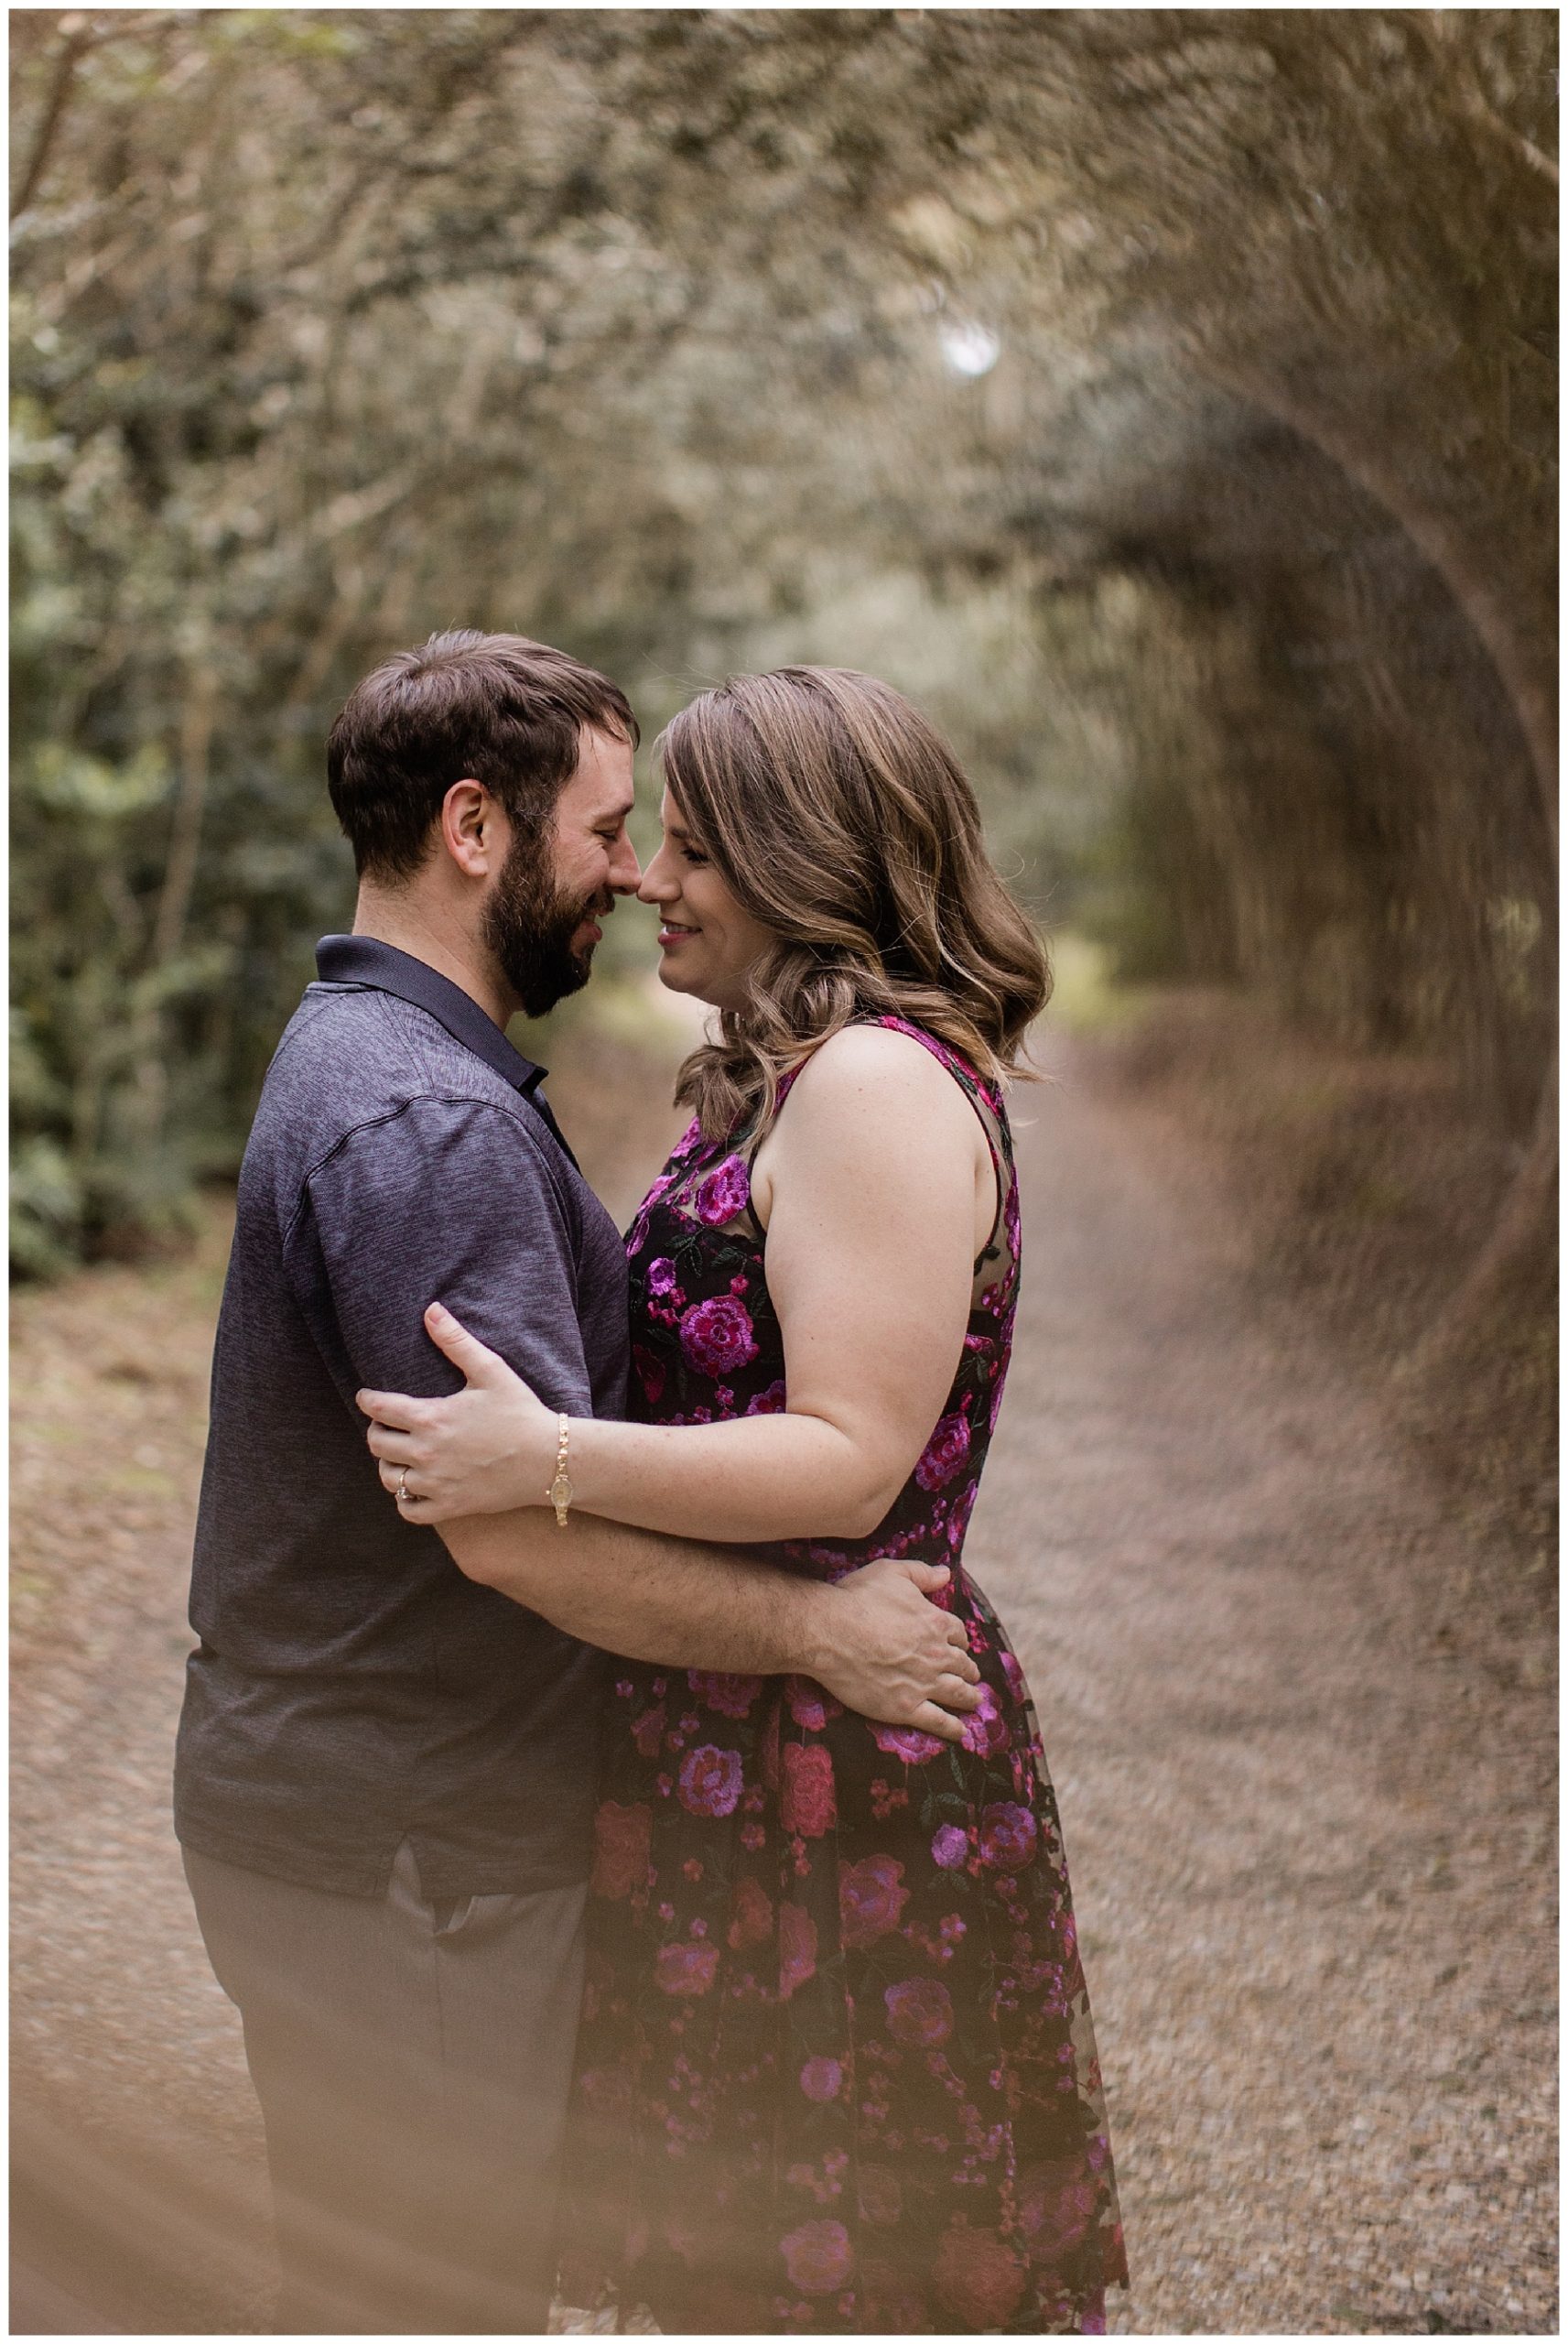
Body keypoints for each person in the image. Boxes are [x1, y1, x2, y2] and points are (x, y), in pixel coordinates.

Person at [173, 633, 981, 2337]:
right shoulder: (426, 1119)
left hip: (401, 1825)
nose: (632, 874)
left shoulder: (380, 1064)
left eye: (668, 839)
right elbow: (519, 1542)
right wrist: (818, 1637)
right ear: (476, 829)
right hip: (417, 1837)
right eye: (617, 830)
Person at [357, 665, 1130, 2334]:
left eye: (691, 850)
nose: (648, 879)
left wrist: (544, 1461)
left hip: (836, 1752)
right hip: (733, 1722)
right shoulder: (791, 1077)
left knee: (832, 2264)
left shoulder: (871, 1086)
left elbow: (850, 1450)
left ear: (803, 863)